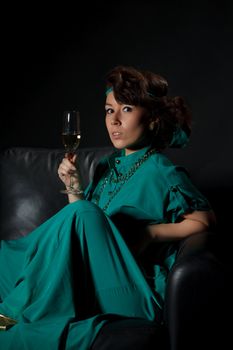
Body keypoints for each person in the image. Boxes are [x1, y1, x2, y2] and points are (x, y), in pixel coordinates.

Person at [0, 65, 216, 349]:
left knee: (83, 212)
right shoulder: (107, 166)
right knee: (7, 254)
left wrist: (151, 234)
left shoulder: (161, 170)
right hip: (96, 278)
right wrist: (74, 186)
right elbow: (84, 234)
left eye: (126, 109)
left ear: (151, 119)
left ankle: (11, 315)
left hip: (134, 291)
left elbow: (206, 221)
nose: (113, 120)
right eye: (108, 110)